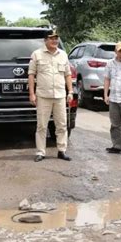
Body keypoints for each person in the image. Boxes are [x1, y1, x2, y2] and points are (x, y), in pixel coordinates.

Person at [28, 30, 73, 163]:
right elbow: (31, 75)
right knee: (42, 126)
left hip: (60, 95)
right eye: (51, 38)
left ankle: (61, 150)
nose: (54, 41)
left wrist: (70, 92)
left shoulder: (63, 55)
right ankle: (41, 152)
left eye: (56, 38)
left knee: (62, 125)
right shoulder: (37, 54)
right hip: (43, 95)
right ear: (45, 40)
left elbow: (68, 74)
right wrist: (32, 93)